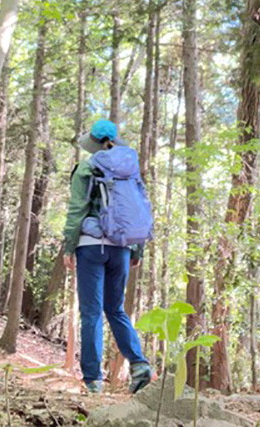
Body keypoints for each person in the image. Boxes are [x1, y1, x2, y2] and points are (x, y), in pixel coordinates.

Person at [62, 119, 152, 394]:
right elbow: (140, 207)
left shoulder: (85, 168)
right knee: (115, 309)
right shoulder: (130, 168)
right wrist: (137, 248)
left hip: (91, 246)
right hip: (122, 247)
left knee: (91, 312)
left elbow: (77, 209)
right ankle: (139, 364)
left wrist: (68, 246)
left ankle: (92, 381)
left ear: (92, 143)